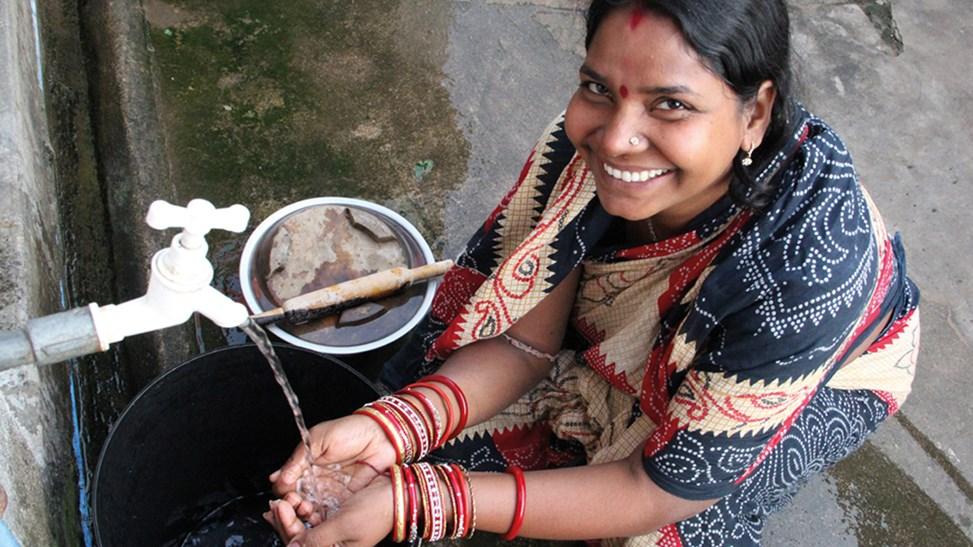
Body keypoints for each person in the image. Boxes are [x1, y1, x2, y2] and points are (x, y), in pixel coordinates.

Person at [264, 0, 920, 545]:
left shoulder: (805, 273)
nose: (613, 139)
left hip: (836, 370)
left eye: (670, 105)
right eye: (597, 88)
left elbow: (653, 489)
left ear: (754, 112)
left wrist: (422, 500)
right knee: (432, 428)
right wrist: (393, 426)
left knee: (673, 524)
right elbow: (523, 342)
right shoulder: (583, 150)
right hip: (636, 343)